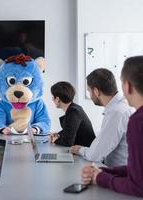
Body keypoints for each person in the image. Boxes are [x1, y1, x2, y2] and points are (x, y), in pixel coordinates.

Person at [81, 56, 143, 197]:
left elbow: (138, 187)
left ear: (127, 86)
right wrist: (106, 172)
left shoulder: (136, 120)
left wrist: (100, 177)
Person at [70, 68, 133, 167]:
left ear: (96, 91)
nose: (90, 95)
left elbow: (95, 155)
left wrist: (80, 150)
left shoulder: (117, 112)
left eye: (89, 91)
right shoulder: (122, 106)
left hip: (120, 175)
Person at [49, 81, 95, 147]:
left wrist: (54, 140)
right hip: (82, 150)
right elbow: (70, 130)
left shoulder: (74, 112)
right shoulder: (74, 108)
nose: (52, 99)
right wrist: (58, 135)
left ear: (57, 99)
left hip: (85, 154)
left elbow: (67, 142)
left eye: (53, 97)